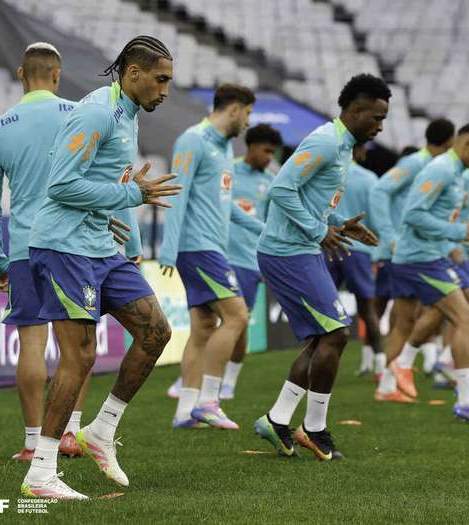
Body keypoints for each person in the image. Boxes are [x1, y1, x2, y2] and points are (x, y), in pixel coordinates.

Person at [21, 36, 179, 499]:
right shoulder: (95, 113)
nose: (165, 90)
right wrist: (134, 195)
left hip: (101, 248)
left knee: (156, 332)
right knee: (82, 356)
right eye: (161, 79)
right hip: (64, 248)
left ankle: (101, 430)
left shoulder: (126, 115)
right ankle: (41, 474)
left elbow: (109, 181)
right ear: (133, 73)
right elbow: (61, 186)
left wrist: (127, 238)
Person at [0, 43, 107, 461]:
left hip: (23, 249)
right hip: (73, 245)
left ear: (21, 74)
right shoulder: (79, 115)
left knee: (31, 344)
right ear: (58, 74)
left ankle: (34, 442)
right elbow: (104, 179)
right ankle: (69, 433)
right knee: (78, 347)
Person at [253, 73, 389, 461]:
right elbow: (281, 188)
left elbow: (310, 197)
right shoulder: (327, 141)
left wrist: (336, 224)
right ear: (356, 110)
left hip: (301, 248)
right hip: (286, 251)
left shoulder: (343, 146)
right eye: (377, 117)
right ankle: (312, 428)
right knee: (336, 333)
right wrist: (318, 229)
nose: (380, 126)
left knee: (322, 338)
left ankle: (278, 419)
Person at [158, 84, 262, 430]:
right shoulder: (193, 140)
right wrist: (168, 248)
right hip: (197, 247)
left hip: (210, 246)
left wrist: (262, 228)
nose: (248, 122)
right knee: (237, 317)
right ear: (233, 110)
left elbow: (224, 203)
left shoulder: (222, 149)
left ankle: (185, 411)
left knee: (203, 327)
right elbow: (178, 192)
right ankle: (209, 400)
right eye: (247, 113)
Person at [386, 123, 469, 423]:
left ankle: (410, 363)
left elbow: (436, 216)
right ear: (467, 143)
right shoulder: (442, 169)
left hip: (436, 255)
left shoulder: (457, 173)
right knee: (465, 317)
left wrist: (452, 237)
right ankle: (467, 399)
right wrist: (457, 232)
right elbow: (414, 214)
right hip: (418, 259)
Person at [368, 118, 455, 393]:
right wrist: (389, 235)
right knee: (421, 313)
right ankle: (397, 374)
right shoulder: (416, 163)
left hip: (417, 251)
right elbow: (380, 190)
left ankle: (389, 379)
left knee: (408, 316)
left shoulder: (435, 166)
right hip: (403, 251)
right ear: (451, 141)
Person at [220, 124, 284, 399]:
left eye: (273, 153)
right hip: (220, 254)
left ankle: (229, 381)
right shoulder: (229, 170)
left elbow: (272, 223)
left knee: (240, 321)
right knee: (207, 319)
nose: (269, 157)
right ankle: (196, 377)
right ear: (251, 146)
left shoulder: (271, 182)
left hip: (248, 260)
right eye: (266, 151)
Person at [326, 143, 381, 377]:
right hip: (359, 249)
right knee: (367, 308)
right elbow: (375, 218)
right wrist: (376, 250)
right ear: (360, 151)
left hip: (328, 244)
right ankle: (379, 365)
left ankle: (317, 363)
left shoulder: (327, 174)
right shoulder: (369, 179)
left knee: (324, 308)